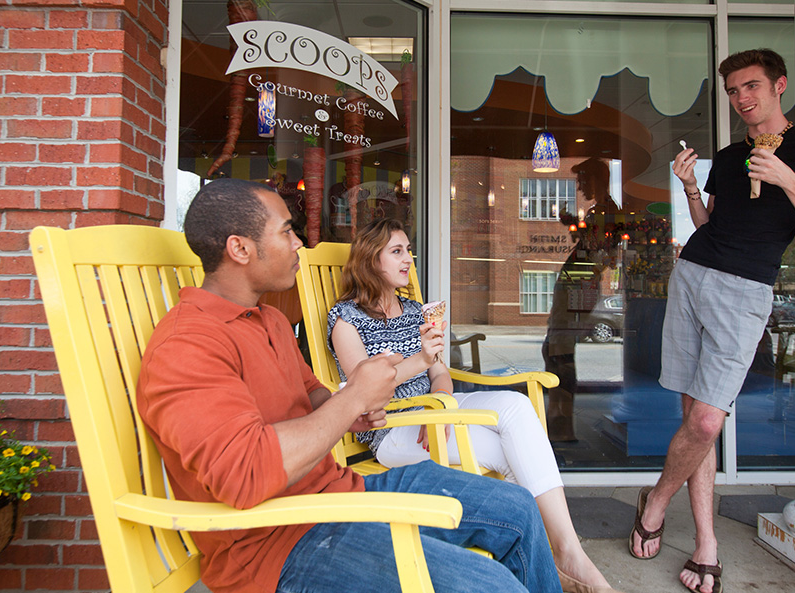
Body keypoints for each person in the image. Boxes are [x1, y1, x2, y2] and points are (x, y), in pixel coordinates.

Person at [136, 178, 564, 593]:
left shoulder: (269, 320)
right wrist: (354, 397)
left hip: (339, 491)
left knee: (517, 509)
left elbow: (314, 394)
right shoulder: (187, 346)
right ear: (240, 248)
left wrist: (354, 406)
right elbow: (244, 474)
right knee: (490, 586)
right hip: (275, 544)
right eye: (287, 231)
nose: (298, 243)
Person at [628, 49, 795, 593]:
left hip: (747, 291)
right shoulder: (728, 157)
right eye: (732, 91)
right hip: (693, 274)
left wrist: (788, 180)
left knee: (707, 421)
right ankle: (706, 542)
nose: (742, 99)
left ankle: (655, 499)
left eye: (751, 86)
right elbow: (709, 224)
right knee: (690, 415)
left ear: (779, 86)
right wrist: (689, 189)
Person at [328, 218, 621, 593]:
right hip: (393, 429)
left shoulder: (416, 309)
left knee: (516, 407)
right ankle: (555, 561)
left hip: (434, 411)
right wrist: (420, 361)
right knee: (509, 452)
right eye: (397, 251)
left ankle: (562, 556)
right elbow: (362, 391)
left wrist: (444, 404)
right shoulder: (346, 319)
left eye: (408, 251)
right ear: (371, 261)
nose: (408, 260)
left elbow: (440, 374)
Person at [542, 158, 619, 442]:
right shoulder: (602, 211)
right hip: (576, 287)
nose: (579, 186)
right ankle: (559, 418)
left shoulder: (606, 211)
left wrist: (578, 226)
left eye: (582, 180)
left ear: (595, 179)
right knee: (554, 350)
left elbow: (602, 254)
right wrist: (576, 224)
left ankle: (562, 423)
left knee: (560, 354)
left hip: (578, 289)